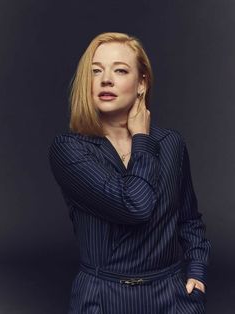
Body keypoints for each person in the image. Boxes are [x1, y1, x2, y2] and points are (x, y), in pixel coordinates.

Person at [49, 32, 211, 314]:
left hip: (171, 296)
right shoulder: (70, 149)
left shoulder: (171, 143)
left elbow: (188, 219)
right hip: (102, 298)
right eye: (95, 71)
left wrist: (197, 272)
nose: (105, 79)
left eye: (120, 70)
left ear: (141, 83)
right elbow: (135, 205)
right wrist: (142, 139)